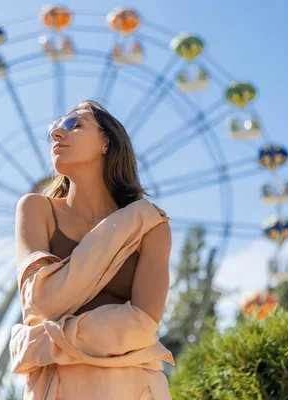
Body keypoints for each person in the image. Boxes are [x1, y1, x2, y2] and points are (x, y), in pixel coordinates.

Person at [14, 99, 172, 398]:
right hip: (60, 388)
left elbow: (141, 326)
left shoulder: (150, 225)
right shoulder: (36, 209)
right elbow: (42, 301)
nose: (57, 134)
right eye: (55, 128)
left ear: (106, 142)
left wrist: (43, 343)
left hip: (135, 388)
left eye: (74, 124)